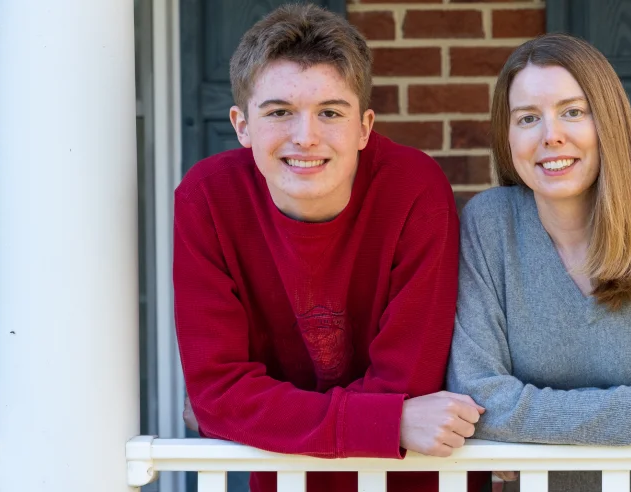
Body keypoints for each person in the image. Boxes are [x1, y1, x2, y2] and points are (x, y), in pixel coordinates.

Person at [173, 4, 487, 492]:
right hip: (291, 481)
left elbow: (408, 382)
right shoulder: (208, 199)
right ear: (241, 125)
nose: (306, 137)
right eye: (279, 112)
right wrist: (388, 421)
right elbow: (218, 393)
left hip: (414, 477)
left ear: (364, 127)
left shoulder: (413, 189)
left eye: (330, 113)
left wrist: (266, 413)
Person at [445, 33, 631, 491]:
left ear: (609, 120)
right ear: (507, 135)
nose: (551, 135)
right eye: (527, 118)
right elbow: (478, 400)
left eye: (572, 111)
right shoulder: (490, 224)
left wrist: (530, 425)